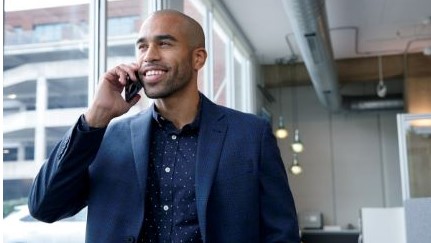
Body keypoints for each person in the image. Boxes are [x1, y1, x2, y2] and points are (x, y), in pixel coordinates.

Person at [28, 9, 300, 243]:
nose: (149, 55)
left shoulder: (251, 135)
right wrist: (95, 118)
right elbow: (44, 207)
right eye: (142, 46)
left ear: (198, 58)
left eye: (165, 44)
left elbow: (281, 233)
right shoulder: (107, 136)